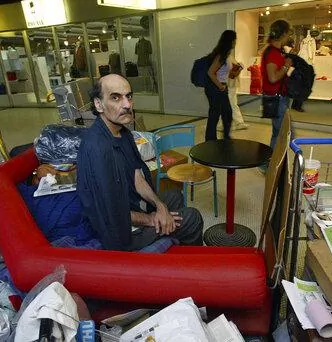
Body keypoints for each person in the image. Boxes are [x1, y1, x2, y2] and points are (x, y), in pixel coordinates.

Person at [77, 74, 203, 251]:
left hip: (131, 207)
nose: (127, 105)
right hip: (122, 232)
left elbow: (136, 175)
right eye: (115, 97)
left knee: (173, 195)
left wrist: (160, 207)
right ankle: (194, 268)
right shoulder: (97, 149)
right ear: (99, 104)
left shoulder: (123, 132)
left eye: (128, 96)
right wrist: (153, 219)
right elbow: (112, 213)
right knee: (192, 217)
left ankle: (173, 248)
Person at [261, 20, 294, 153]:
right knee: (281, 133)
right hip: (276, 98)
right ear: (283, 34)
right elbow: (273, 77)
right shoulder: (273, 53)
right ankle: (271, 164)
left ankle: (272, 163)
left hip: (278, 96)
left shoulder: (276, 51)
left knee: (280, 132)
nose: (288, 37)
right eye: (288, 34)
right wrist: (286, 65)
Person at [204, 30, 236, 141]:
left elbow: (223, 73)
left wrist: (234, 72)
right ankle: (211, 140)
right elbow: (210, 72)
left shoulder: (225, 54)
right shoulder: (221, 55)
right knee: (217, 114)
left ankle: (222, 137)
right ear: (230, 41)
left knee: (225, 113)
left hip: (220, 87)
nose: (235, 42)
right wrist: (220, 86)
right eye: (234, 40)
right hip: (216, 88)